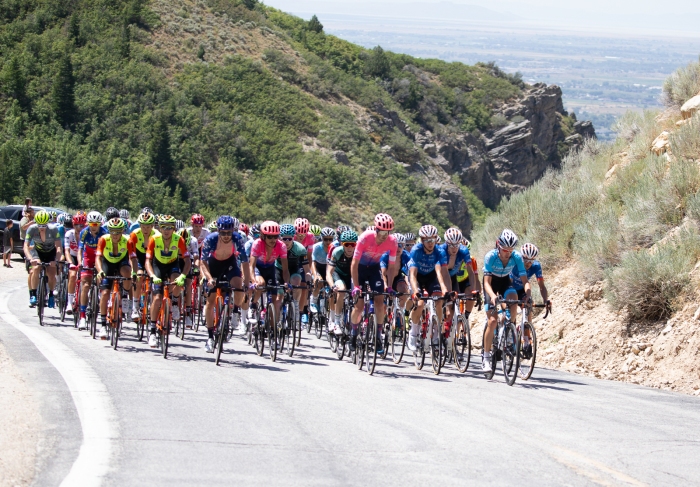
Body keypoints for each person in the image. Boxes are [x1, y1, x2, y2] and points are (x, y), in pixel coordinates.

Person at [482, 229, 532, 373]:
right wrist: (492, 296)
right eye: (505, 250)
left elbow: (525, 281)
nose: (507, 253)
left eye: (510, 250)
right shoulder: (490, 256)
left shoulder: (516, 257)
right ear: (498, 245)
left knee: (514, 299)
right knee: (492, 321)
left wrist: (527, 295)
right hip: (491, 284)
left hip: (505, 282)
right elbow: (486, 283)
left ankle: (509, 328)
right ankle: (486, 358)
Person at [199, 216, 251, 353]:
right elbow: (202, 262)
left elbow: (245, 262)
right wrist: (209, 278)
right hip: (213, 266)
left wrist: (246, 283)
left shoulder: (237, 239)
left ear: (233, 231)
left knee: (239, 286)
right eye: (223, 233)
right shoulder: (211, 239)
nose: (226, 236)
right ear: (218, 231)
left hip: (229, 264)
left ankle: (235, 312)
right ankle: (210, 337)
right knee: (210, 302)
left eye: (229, 232)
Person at [349, 213, 399, 353]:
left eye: (387, 232)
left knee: (379, 300)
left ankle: (377, 337)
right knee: (358, 306)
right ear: (376, 230)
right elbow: (354, 263)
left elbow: (391, 266)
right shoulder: (365, 237)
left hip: (373, 269)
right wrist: (357, 286)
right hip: (359, 268)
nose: (384, 235)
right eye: (382, 231)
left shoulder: (392, 241)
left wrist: (389, 286)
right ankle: (353, 335)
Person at [145, 215, 191, 348]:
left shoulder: (179, 240)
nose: (166, 230)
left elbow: (187, 260)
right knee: (157, 298)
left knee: (176, 281)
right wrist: (152, 275)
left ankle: (175, 302)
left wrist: (183, 275)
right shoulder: (154, 239)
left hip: (172, 265)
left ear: (174, 229)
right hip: (157, 266)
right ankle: (153, 331)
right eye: (163, 227)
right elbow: (148, 260)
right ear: (159, 228)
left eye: (169, 228)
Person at [407, 225, 451, 351]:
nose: (431, 243)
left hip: (431, 277)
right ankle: (413, 333)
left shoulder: (440, 251)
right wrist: (415, 291)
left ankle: (436, 333)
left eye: (433, 239)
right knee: (420, 304)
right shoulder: (416, 250)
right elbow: (413, 275)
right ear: (422, 240)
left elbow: (444, 273)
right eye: (427, 240)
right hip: (418, 277)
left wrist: (447, 290)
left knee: (438, 300)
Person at [95, 218, 133, 339]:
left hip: (122, 262)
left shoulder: (127, 240)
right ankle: (102, 325)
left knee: (128, 273)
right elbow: (98, 258)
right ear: (109, 231)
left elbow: (133, 258)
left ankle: (125, 296)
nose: (115, 235)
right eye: (112, 231)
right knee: (105, 292)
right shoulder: (104, 239)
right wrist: (100, 271)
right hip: (107, 264)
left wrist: (134, 272)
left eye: (118, 232)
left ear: (122, 231)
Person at [511, 243, 549, 357]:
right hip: (510, 287)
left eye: (531, 261)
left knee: (528, 306)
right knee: (509, 312)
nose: (528, 264)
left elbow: (542, 286)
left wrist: (546, 300)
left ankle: (527, 339)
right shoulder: (514, 263)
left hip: (523, 289)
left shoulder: (536, 266)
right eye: (526, 260)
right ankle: (509, 332)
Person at [248, 221, 289, 319]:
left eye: (275, 236)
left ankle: (270, 327)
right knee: (260, 283)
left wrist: (286, 282)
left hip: (270, 268)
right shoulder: (257, 243)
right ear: (263, 236)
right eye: (270, 237)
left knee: (274, 299)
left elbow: (285, 269)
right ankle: (253, 305)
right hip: (258, 267)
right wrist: (253, 281)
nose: (273, 239)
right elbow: (251, 266)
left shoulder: (281, 246)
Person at [24, 210, 63, 308]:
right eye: (39, 226)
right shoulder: (31, 229)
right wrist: (30, 259)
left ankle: (51, 295)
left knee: (51, 273)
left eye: (44, 226)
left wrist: (56, 260)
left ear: (48, 223)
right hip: (38, 252)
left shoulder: (53, 229)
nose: (41, 228)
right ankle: (33, 294)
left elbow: (58, 247)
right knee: (36, 268)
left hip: (51, 252)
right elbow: (26, 246)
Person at [441, 227, 478, 331]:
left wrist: (473, 290)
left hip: (453, 277)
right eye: (451, 245)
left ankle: (451, 329)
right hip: (441, 275)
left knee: (454, 303)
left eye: (457, 245)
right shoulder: (441, 250)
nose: (454, 248)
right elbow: (444, 272)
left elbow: (471, 272)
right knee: (445, 301)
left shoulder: (463, 250)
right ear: (446, 243)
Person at [127, 212, 160, 322]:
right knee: (139, 276)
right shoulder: (135, 234)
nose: (145, 229)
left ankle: (152, 301)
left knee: (156, 278)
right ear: (140, 226)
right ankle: (135, 307)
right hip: (139, 257)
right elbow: (131, 254)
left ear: (152, 226)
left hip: (152, 257)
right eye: (143, 226)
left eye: (148, 226)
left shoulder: (156, 234)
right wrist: (133, 270)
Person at [78, 211, 108, 329]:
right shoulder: (84, 233)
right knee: (85, 285)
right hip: (88, 257)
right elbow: (80, 250)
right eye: (92, 224)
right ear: (88, 224)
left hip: (100, 257)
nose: (94, 226)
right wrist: (80, 262)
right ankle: (82, 316)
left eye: (96, 224)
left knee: (103, 281)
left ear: (100, 224)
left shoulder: (104, 233)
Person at [277, 224, 311, 326]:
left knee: (297, 281)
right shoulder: (276, 247)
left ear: (293, 238)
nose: (287, 241)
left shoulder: (300, 249)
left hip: (294, 269)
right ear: (280, 238)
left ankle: (295, 308)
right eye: (284, 239)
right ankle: (277, 319)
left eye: (289, 239)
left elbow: (307, 270)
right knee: (279, 294)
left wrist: (309, 281)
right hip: (278, 269)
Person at [326, 230, 356, 335]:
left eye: (352, 244)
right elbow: (329, 272)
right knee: (342, 290)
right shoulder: (337, 252)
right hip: (337, 274)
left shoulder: (358, 254)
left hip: (351, 276)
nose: (350, 247)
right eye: (347, 244)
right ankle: (337, 322)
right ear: (342, 244)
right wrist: (332, 285)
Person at [380, 233, 412, 317]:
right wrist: (386, 285)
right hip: (385, 278)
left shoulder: (406, 255)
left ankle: (400, 312)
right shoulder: (385, 255)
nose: (398, 248)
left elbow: (412, 269)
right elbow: (383, 273)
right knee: (382, 300)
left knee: (405, 291)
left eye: (401, 245)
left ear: (404, 245)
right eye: (395, 245)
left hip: (397, 277)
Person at [64, 213, 86, 313]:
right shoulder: (69, 234)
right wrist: (70, 263)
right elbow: (67, 251)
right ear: (73, 225)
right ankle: (69, 302)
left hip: (83, 257)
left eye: (82, 225)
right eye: (77, 225)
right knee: (72, 275)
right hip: (72, 256)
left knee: (86, 277)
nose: (80, 227)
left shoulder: (86, 234)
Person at [309, 227, 335, 314]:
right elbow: (313, 263)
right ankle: (313, 301)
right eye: (325, 239)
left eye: (330, 239)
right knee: (319, 282)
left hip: (329, 268)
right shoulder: (316, 247)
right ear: (321, 238)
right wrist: (315, 275)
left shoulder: (334, 247)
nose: (328, 242)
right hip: (318, 267)